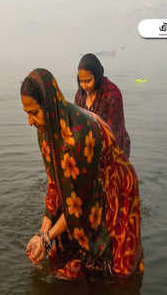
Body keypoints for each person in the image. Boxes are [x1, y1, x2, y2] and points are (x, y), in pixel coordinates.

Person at [21, 68, 143, 281]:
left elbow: (79, 204)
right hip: (88, 183)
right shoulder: (45, 131)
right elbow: (53, 185)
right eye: (27, 114)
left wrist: (47, 239)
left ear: (49, 107)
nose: (30, 122)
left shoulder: (78, 135)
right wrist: (41, 234)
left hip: (115, 181)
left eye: (34, 113)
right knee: (70, 254)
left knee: (121, 266)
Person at [74, 54, 131, 158]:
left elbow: (113, 134)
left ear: (97, 75)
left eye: (88, 81)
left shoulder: (112, 95)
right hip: (89, 148)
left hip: (114, 151)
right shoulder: (80, 96)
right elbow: (76, 124)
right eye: (81, 81)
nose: (84, 86)